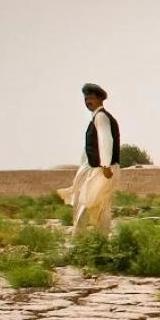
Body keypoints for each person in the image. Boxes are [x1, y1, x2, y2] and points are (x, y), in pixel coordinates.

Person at [58, 83, 120, 235]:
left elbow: (106, 139)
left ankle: (80, 240)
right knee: (99, 206)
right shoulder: (98, 117)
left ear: (100, 99)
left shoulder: (100, 116)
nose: (88, 102)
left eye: (91, 98)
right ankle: (100, 241)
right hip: (99, 169)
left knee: (84, 204)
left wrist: (105, 165)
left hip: (101, 170)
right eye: (86, 99)